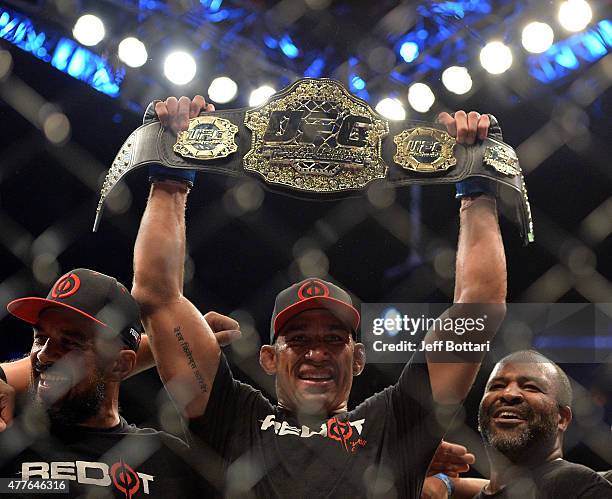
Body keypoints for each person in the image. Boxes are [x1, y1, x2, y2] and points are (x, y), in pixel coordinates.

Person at [131, 95, 507, 498]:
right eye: (298, 340)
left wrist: (478, 188)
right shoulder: (233, 416)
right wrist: (169, 178)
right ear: (269, 358)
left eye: (333, 339)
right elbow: (157, 293)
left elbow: (479, 308)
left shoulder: (394, 423)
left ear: (358, 357)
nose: (316, 353)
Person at [0, 268, 216, 498]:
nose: (43, 355)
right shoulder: (9, 442)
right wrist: (170, 343)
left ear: (120, 364)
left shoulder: (171, 460)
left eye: (71, 342)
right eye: (40, 338)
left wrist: (189, 341)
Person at [471, 349, 612, 498]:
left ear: (562, 418)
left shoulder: (582, 486)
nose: (509, 394)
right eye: (497, 386)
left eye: (531, 387)